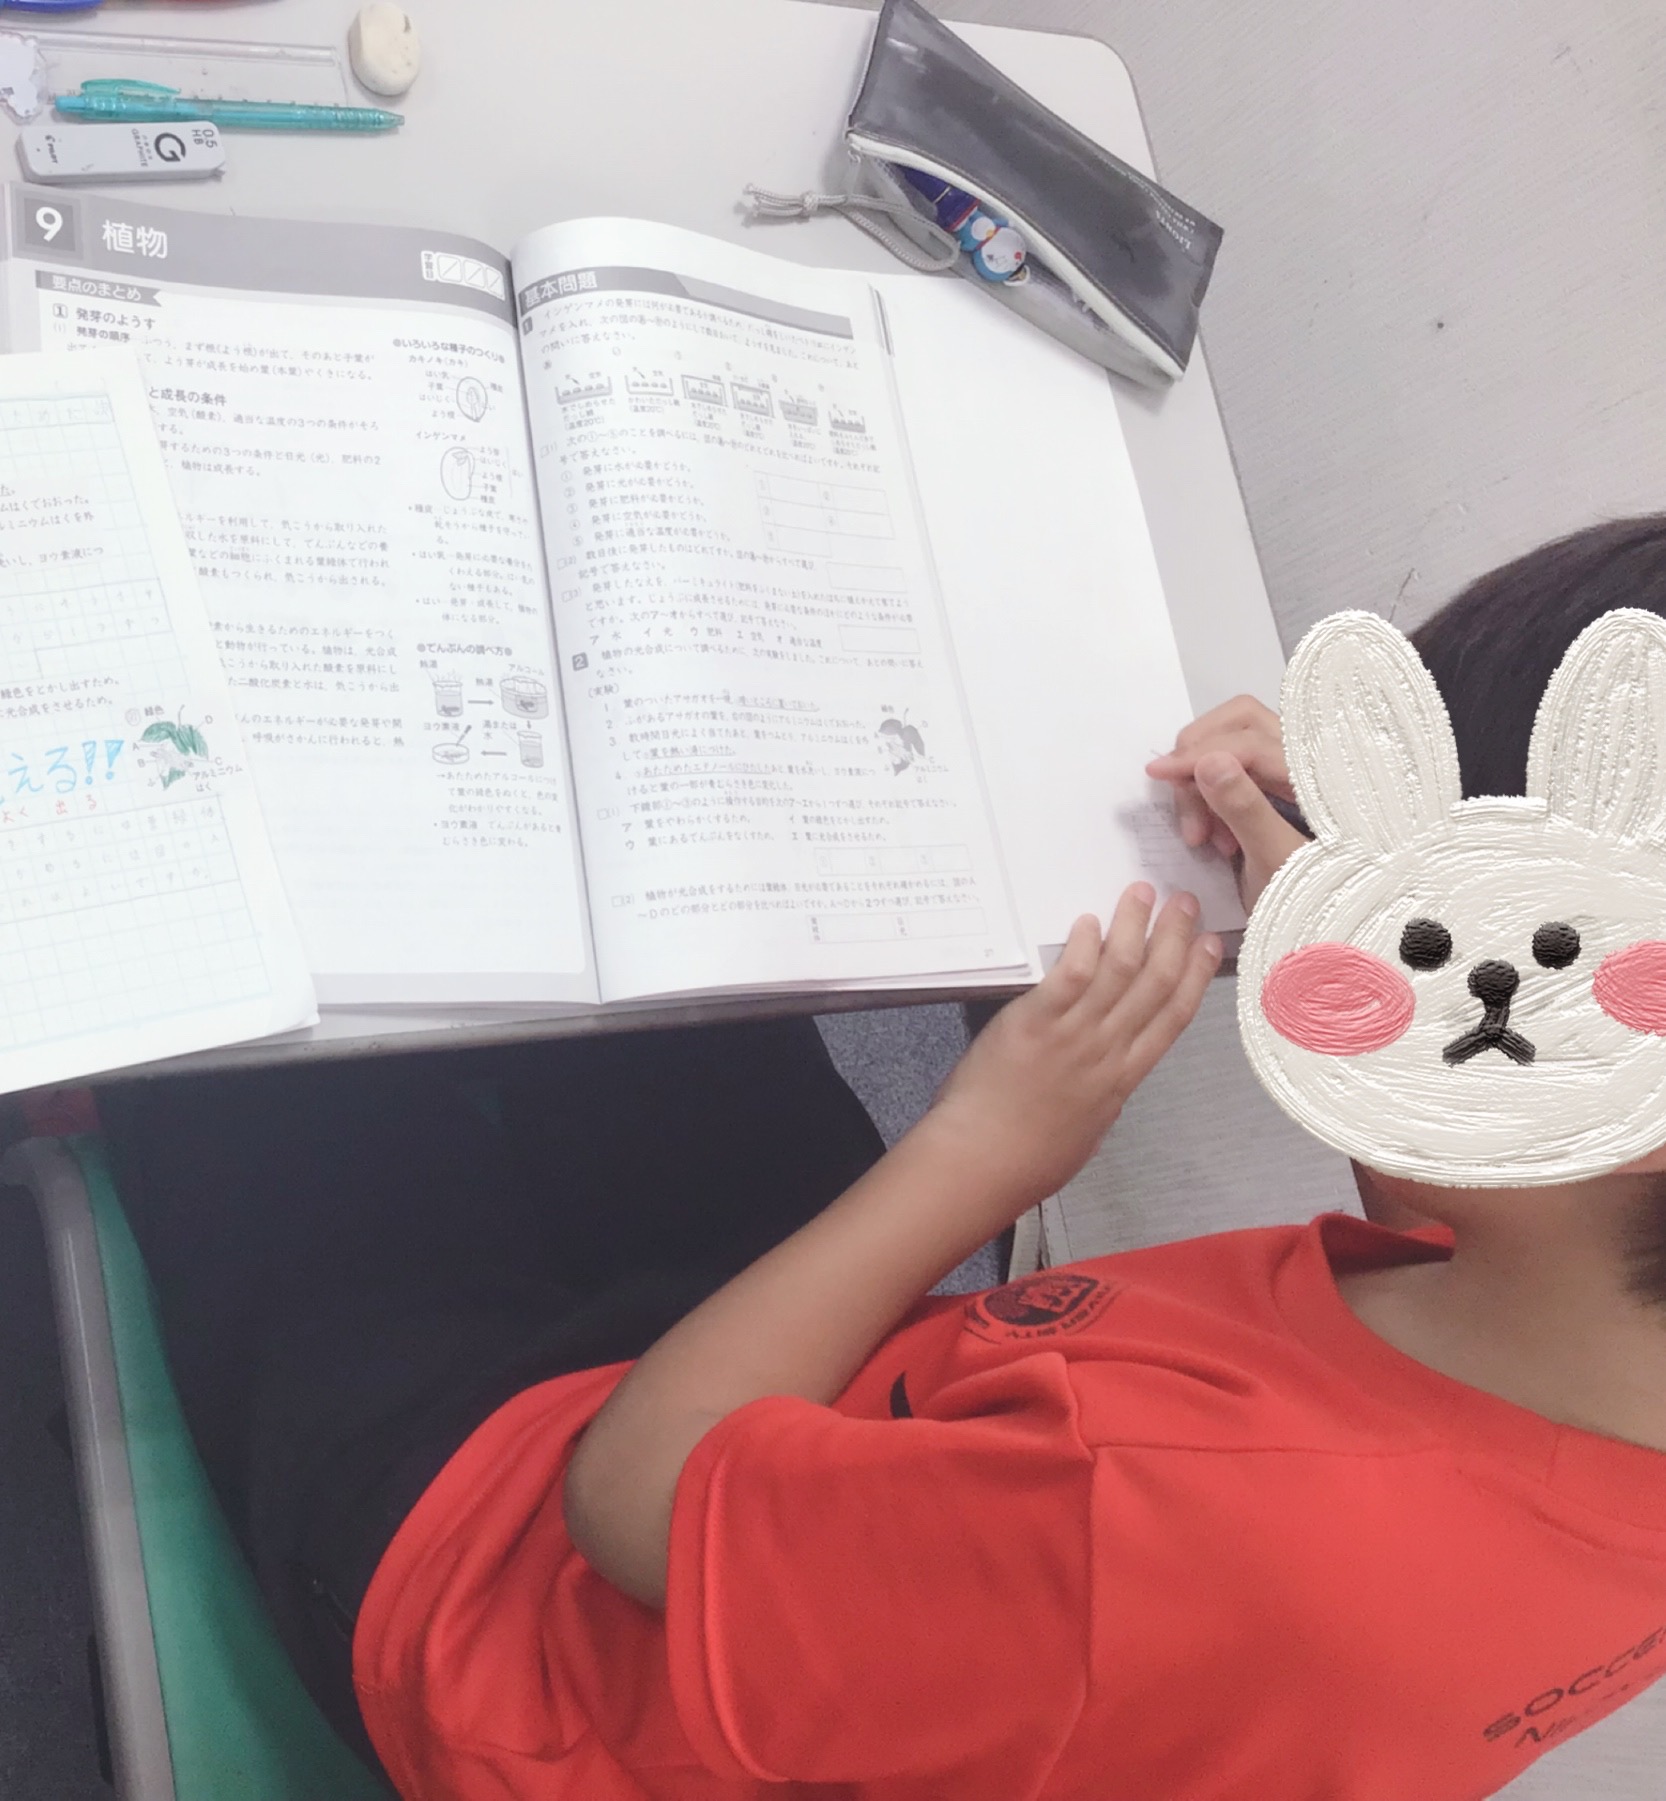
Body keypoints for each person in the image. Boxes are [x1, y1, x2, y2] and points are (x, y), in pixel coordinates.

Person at [100, 515, 1666, 1801]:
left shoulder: (1179, 1532)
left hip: (531, 1613)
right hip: (890, 1420)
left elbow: (630, 1502)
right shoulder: (1587, 1361)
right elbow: (1454, 1189)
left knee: (233, 1049)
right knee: (691, 965)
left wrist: (981, 1148)